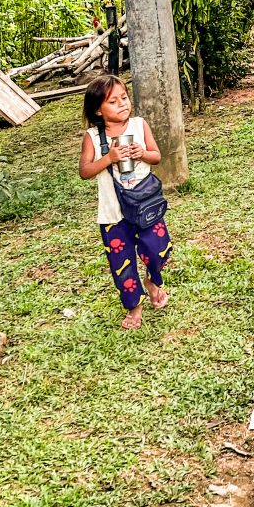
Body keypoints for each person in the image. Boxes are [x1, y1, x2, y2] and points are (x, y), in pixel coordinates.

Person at [79, 75, 172, 330]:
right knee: (122, 265)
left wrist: (141, 153)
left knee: (159, 249)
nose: (122, 104)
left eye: (124, 98)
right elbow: (85, 171)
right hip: (113, 215)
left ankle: (153, 280)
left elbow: (156, 156)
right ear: (99, 109)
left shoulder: (139, 125)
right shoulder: (92, 136)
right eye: (113, 101)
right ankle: (135, 307)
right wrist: (109, 158)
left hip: (145, 207)